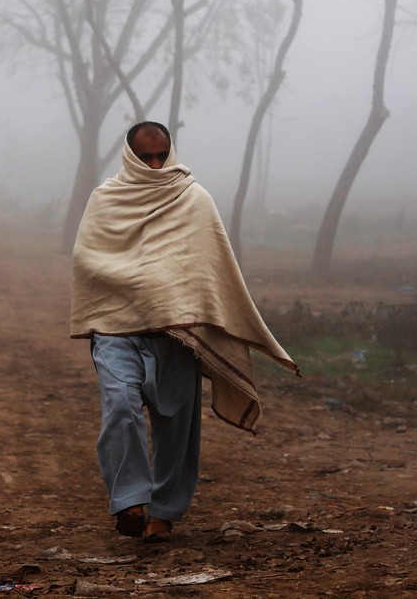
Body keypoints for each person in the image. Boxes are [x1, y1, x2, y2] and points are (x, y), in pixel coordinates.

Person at [71, 121, 299, 543]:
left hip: (177, 330)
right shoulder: (106, 199)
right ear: (129, 155)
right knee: (120, 405)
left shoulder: (193, 198)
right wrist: (142, 283)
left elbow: (210, 265)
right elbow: (88, 259)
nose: (156, 165)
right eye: (146, 157)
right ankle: (130, 501)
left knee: (176, 424)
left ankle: (163, 513)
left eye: (161, 155)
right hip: (116, 327)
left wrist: (173, 296)